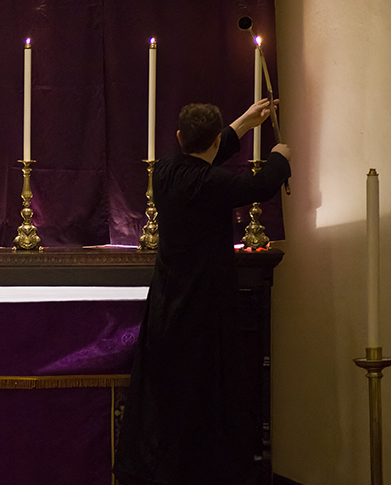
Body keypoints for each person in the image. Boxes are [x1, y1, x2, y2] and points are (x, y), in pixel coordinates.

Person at [114, 98, 291, 485]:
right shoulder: (214, 183)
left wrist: (245, 121)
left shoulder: (164, 171)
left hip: (166, 304)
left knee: (167, 396)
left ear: (179, 137)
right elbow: (261, 184)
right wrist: (281, 155)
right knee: (203, 395)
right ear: (212, 142)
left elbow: (209, 151)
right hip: (204, 307)